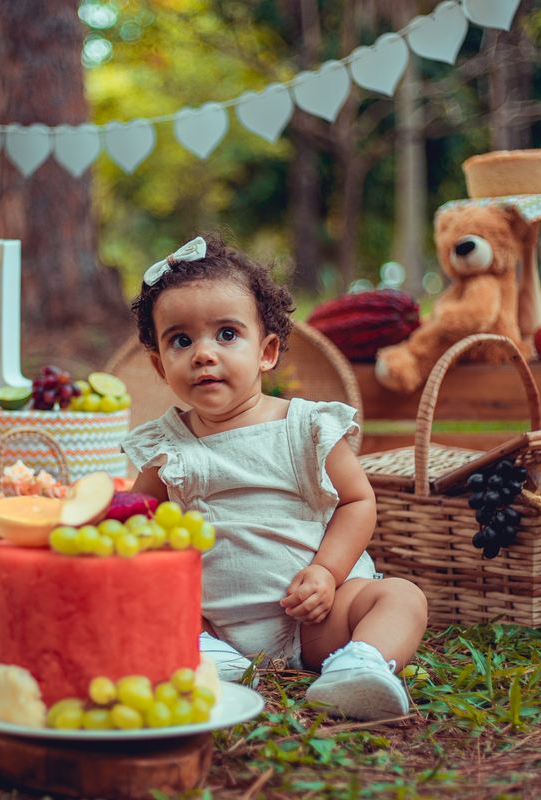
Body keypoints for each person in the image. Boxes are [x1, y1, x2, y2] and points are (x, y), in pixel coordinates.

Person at [122, 233, 429, 720]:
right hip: (212, 626)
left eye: (226, 334)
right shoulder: (166, 446)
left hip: (315, 617)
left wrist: (328, 571)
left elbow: (356, 501)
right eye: (181, 340)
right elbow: (138, 523)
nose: (203, 353)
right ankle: (205, 657)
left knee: (401, 597)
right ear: (161, 367)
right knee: (137, 595)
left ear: (266, 352)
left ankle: (361, 664)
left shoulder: (306, 427)